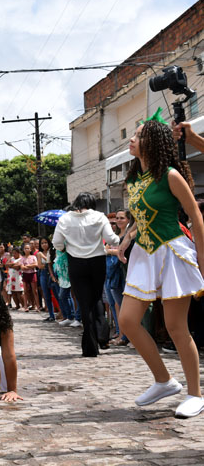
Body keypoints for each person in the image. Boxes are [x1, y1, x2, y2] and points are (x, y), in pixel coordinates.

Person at [118, 117, 204, 418]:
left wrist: (202, 262)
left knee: (176, 327)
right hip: (144, 253)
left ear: (152, 143)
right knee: (127, 321)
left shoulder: (170, 175)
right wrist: (127, 238)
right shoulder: (133, 179)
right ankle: (164, 380)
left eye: (138, 136)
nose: (131, 140)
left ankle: (195, 393)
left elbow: (195, 216)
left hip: (172, 250)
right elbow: (140, 216)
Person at [53, 192, 119, 357]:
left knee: (84, 303)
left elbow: (57, 243)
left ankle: (90, 346)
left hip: (76, 262)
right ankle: (102, 336)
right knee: (96, 299)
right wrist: (123, 240)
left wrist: (67, 249)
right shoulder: (99, 216)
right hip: (97, 261)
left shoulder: (65, 218)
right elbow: (111, 239)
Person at [105, 210, 130, 346]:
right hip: (113, 273)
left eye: (121, 218)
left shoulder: (128, 235)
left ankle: (125, 335)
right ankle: (121, 333)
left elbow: (122, 250)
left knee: (123, 304)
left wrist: (109, 251)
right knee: (115, 304)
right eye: (117, 219)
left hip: (124, 272)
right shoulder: (115, 236)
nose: (118, 221)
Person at [37, 237, 59, 322]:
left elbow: (54, 263)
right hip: (43, 274)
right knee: (46, 296)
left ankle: (63, 313)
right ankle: (51, 315)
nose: (44, 244)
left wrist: (46, 260)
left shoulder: (53, 251)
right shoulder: (39, 253)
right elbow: (40, 266)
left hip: (53, 273)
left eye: (45, 242)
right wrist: (48, 262)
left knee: (58, 295)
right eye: (42, 243)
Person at [19, 242, 40, 311]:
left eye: (28, 248)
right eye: (25, 248)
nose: (26, 250)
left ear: (30, 249)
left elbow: (36, 264)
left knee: (35, 291)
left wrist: (27, 266)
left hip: (32, 274)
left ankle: (38, 306)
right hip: (25, 275)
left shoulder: (33, 257)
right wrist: (30, 266)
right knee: (25, 291)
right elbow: (22, 267)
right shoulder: (22, 258)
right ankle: (25, 306)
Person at [5, 246, 25, 310]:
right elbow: (6, 264)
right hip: (11, 277)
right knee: (13, 292)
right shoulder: (12, 258)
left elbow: (18, 267)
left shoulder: (21, 258)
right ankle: (17, 305)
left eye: (15, 253)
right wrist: (13, 265)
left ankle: (23, 305)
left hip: (18, 277)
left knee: (19, 292)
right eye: (13, 253)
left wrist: (11, 265)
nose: (14, 254)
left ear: (19, 253)